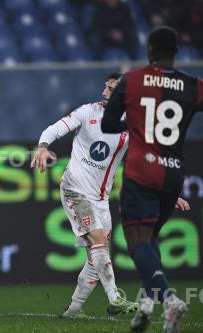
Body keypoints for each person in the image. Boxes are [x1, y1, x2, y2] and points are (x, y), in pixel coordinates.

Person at [102, 26, 203, 333]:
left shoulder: (131, 79)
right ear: (176, 52)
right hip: (174, 174)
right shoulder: (193, 85)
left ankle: (169, 300)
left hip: (141, 171)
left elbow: (108, 124)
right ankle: (146, 307)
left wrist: (133, 117)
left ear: (149, 50)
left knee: (137, 242)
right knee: (151, 239)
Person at [32, 73, 140, 318]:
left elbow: (146, 158)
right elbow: (56, 128)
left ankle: (74, 309)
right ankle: (115, 297)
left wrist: (168, 191)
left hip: (101, 200)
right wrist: (42, 146)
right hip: (74, 190)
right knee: (99, 240)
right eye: (105, 87)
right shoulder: (88, 112)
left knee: (96, 257)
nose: (104, 93)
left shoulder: (133, 124)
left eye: (111, 90)